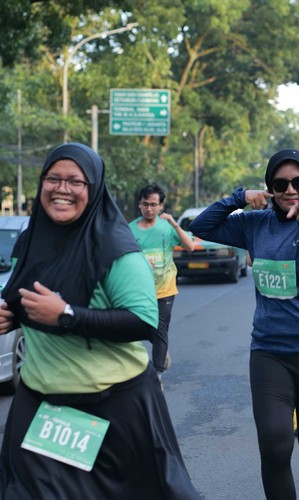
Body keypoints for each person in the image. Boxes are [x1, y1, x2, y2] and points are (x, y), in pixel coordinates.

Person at [0, 143, 200, 499]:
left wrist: (67, 315)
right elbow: (26, 297)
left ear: (93, 188)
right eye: (53, 179)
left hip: (112, 406)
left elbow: (143, 322)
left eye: (75, 181)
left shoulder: (116, 248)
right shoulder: (30, 241)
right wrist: (11, 316)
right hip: (40, 403)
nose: (62, 189)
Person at [190, 148, 299, 500]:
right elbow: (200, 226)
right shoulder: (255, 224)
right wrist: (239, 197)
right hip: (269, 350)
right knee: (274, 445)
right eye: (280, 184)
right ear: (269, 187)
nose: (290, 190)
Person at [129, 183, 194, 377]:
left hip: (165, 288)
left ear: (161, 206)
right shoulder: (130, 230)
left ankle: (157, 374)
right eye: (145, 204)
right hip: (139, 290)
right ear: (139, 204)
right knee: (143, 328)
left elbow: (190, 246)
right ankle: (161, 347)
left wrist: (175, 224)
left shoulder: (167, 227)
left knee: (160, 329)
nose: (149, 208)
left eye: (153, 204)